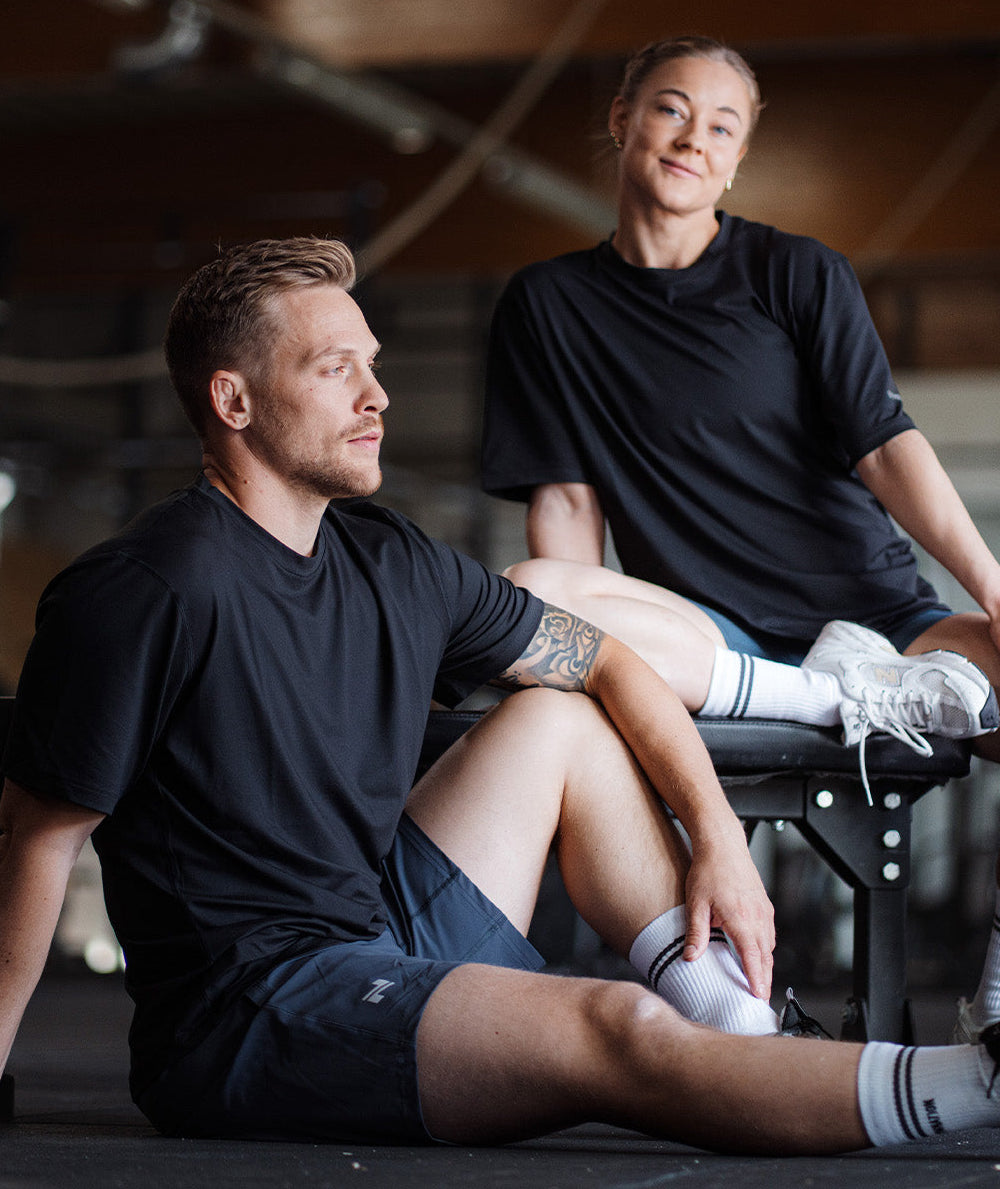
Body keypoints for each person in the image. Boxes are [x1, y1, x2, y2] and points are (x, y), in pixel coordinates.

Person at [2, 237, 1000, 1156]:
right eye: (332, 368)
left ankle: (737, 1019)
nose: (376, 396)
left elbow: (607, 663)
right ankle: (984, 1085)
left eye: (373, 363)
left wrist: (719, 845)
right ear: (233, 401)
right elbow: (37, 840)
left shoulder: (390, 559)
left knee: (560, 710)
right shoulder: (143, 590)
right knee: (614, 1026)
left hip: (376, 923)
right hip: (251, 1012)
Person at [480, 35, 1000, 776]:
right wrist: (583, 664)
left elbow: (884, 445)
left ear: (737, 159)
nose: (695, 139)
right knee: (529, 594)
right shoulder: (545, 304)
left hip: (875, 625)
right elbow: (567, 501)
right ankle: (819, 696)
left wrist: (994, 590)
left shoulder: (798, 272)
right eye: (672, 110)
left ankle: (855, 687)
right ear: (622, 119)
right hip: (707, 633)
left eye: (722, 127)